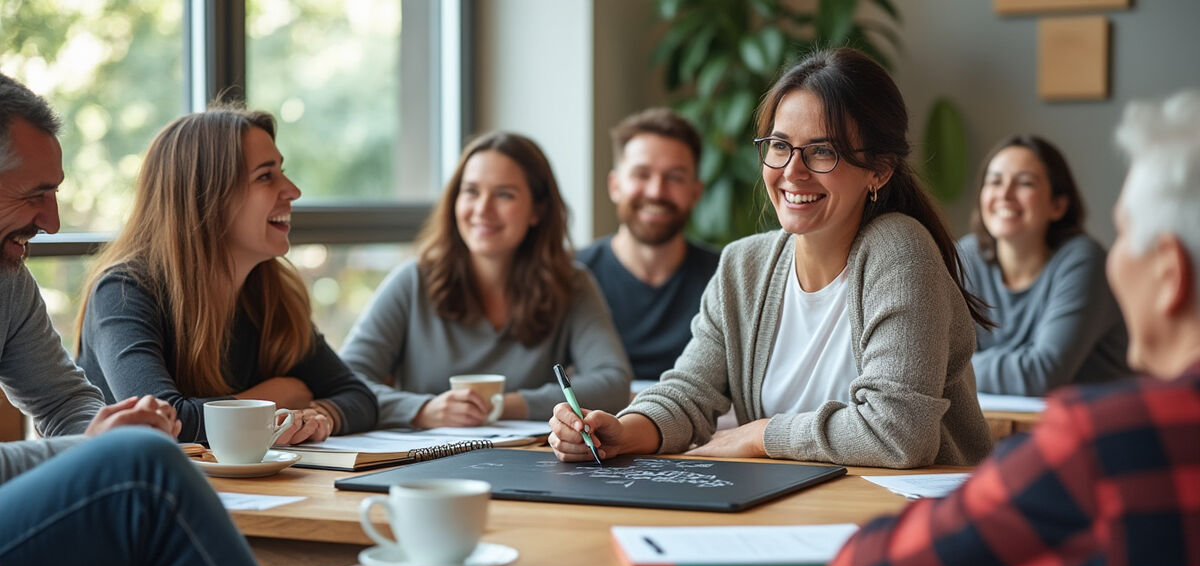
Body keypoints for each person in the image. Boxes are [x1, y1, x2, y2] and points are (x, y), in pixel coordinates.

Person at [825, 89, 1200, 566]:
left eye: (1125, 234)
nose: (1112, 259)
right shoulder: (965, 255)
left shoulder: (1107, 446)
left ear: (1170, 273)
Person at [549, 48, 993, 469]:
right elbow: (688, 393)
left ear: (878, 169)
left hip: (910, 520)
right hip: (787, 513)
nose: (792, 172)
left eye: (822, 151)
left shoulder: (899, 250)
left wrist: (760, 435)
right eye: (780, 146)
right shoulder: (745, 266)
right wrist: (624, 430)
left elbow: (897, 433)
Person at [0, 72, 297, 566]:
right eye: (35, 194)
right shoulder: (128, 287)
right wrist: (95, 449)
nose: (51, 221)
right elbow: (85, 442)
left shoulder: (6, 283)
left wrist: (106, 427)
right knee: (142, 472)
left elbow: (63, 403)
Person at [75, 105, 378, 444]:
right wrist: (278, 396)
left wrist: (314, 416)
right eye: (266, 176)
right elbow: (164, 421)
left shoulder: (268, 294)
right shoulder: (122, 293)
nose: (293, 191)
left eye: (282, 172)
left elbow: (359, 398)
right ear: (205, 198)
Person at [341, 131, 631, 429]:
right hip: (422, 466)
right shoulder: (412, 281)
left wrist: (503, 405)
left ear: (537, 210)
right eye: (471, 192)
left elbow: (613, 383)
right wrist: (422, 410)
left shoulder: (572, 284)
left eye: (504, 194)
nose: (482, 209)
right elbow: (345, 384)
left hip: (529, 462)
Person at [960, 134, 1130, 396]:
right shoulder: (967, 256)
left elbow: (1042, 374)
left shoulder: (1084, 260)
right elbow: (936, 353)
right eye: (994, 181)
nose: (1004, 194)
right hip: (1006, 424)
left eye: (1024, 183)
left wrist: (952, 371)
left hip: (1101, 427)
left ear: (1058, 206)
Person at [576, 108, 719, 381]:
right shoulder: (572, 276)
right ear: (615, 186)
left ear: (695, 192)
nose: (656, 191)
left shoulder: (727, 278)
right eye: (642, 174)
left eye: (675, 177)